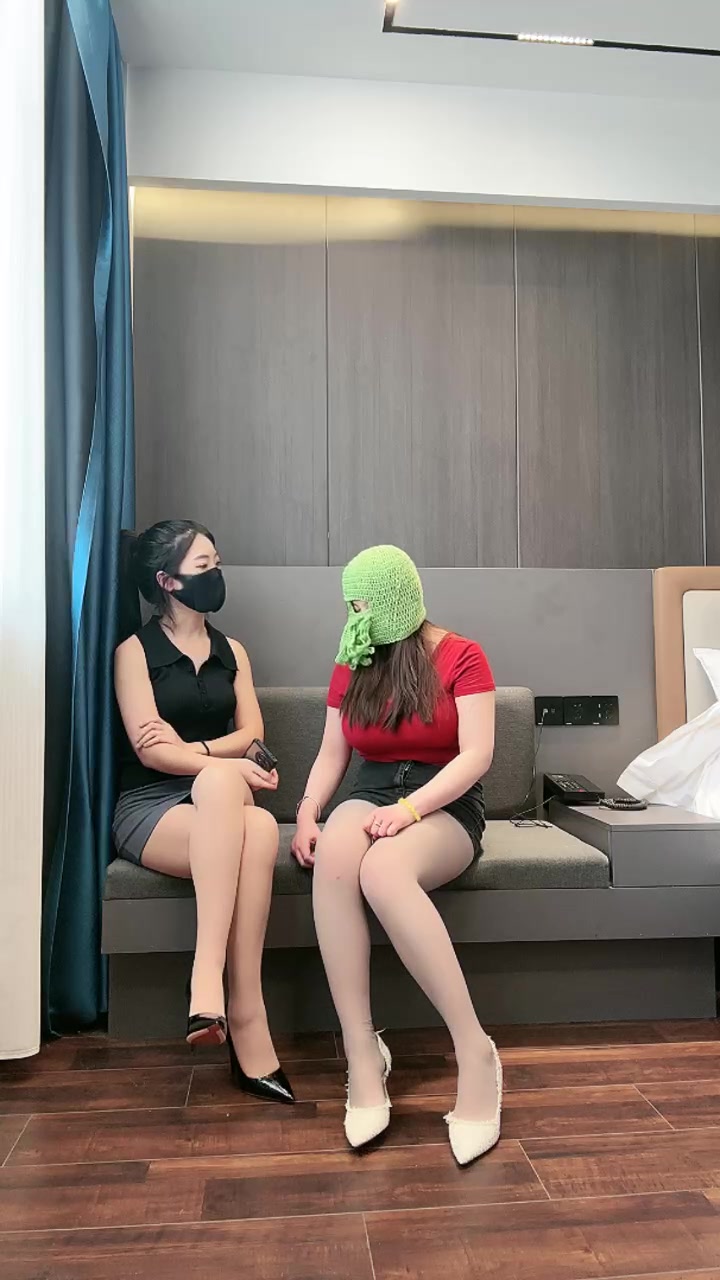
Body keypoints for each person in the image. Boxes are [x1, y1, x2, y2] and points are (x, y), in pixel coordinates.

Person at [292, 545, 500, 1163]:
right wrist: (307, 810)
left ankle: (475, 1051)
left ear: (393, 601)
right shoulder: (353, 656)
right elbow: (333, 753)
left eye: (363, 606)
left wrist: (411, 811)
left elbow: (476, 755)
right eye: (349, 606)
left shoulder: (462, 655)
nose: (355, 618)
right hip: (373, 791)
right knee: (336, 855)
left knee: (383, 871)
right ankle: (362, 1052)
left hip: (444, 801)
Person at [113, 520, 294, 1105]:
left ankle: (220, 999)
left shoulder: (231, 652)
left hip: (217, 800)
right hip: (150, 808)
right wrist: (224, 764)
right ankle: (235, 1004)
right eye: (203, 566)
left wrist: (199, 753)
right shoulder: (134, 653)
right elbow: (149, 750)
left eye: (217, 562)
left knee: (237, 804)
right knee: (256, 822)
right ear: (167, 581)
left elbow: (253, 734)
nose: (216, 574)